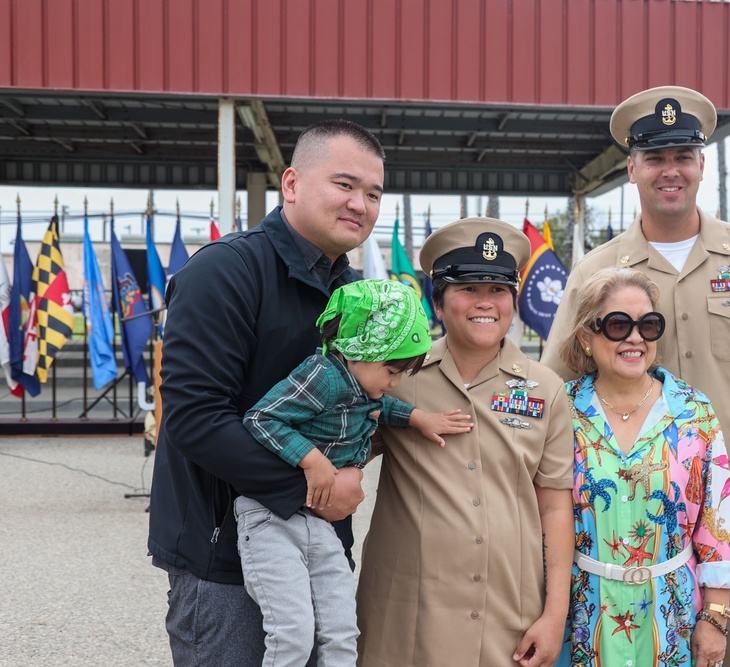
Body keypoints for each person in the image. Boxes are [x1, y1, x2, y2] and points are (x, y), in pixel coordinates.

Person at [541, 86, 730, 667]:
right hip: (619, 508)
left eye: (682, 156)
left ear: (702, 164)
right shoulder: (597, 273)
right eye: (654, 158)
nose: (669, 171)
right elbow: (555, 394)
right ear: (632, 168)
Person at [148, 119, 385, 667]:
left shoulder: (354, 293)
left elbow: (357, 406)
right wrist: (315, 487)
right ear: (292, 184)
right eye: (345, 185)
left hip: (319, 547)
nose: (360, 204)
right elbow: (195, 417)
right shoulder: (224, 272)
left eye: (373, 193)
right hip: (225, 556)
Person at [355, 218, 575, 667]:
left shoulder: (545, 388)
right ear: (437, 303)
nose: (485, 303)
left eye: (497, 290)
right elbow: (345, 442)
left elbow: (555, 506)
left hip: (506, 615)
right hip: (408, 615)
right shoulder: (398, 377)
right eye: (467, 288)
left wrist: (555, 614)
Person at [238, 279, 473, 667]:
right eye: (392, 370)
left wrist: (419, 418)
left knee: (343, 632)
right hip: (271, 518)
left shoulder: (363, 383)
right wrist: (313, 462)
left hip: (318, 524)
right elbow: (261, 418)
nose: (396, 382)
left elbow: (378, 407)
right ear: (359, 349)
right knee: (293, 633)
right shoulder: (324, 377)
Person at [554, 268, 730, 667]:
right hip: (581, 615)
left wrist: (716, 618)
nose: (636, 337)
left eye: (648, 325)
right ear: (586, 336)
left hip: (672, 616)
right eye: (618, 324)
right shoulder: (560, 412)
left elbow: (718, 522)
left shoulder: (694, 412)